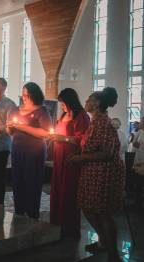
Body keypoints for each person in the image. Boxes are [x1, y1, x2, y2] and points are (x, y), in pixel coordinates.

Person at [69, 87, 124, 262]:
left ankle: (113, 253)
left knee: (102, 212)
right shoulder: (95, 121)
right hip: (92, 171)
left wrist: (80, 158)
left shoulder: (103, 123)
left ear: (97, 103)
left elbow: (106, 153)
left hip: (103, 173)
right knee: (89, 208)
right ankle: (103, 243)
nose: (85, 102)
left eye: (89, 99)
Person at [7, 82, 52, 218]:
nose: (24, 97)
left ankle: (32, 213)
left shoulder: (42, 111)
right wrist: (10, 127)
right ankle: (19, 211)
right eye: (23, 94)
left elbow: (46, 133)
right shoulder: (15, 109)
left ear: (34, 95)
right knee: (17, 181)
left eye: (27, 95)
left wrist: (21, 127)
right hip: (17, 149)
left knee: (32, 181)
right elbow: (10, 131)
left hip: (34, 152)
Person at [49, 88, 90, 238]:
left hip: (72, 157)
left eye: (63, 103)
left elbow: (83, 139)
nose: (62, 106)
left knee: (69, 191)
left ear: (70, 101)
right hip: (59, 156)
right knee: (57, 189)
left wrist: (64, 139)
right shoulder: (64, 115)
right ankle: (56, 224)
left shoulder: (81, 116)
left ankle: (69, 228)